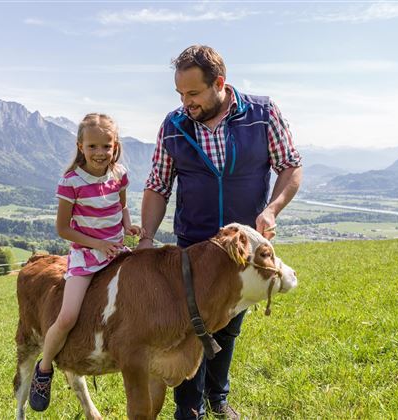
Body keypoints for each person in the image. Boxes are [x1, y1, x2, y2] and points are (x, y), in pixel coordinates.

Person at [138, 45, 302, 419]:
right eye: (180, 94)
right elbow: (157, 185)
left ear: (220, 84)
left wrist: (272, 209)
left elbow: (290, 166)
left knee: (227, 326)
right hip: (193, 246)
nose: (186, 103)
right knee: (188, 325)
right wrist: (146, 237)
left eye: (193, 93)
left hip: (243, 249)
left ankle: (218, 397)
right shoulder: (174, 125)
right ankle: (188, 407)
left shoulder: (263, 115)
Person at [29, 113, 142, 412]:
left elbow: (123, 206)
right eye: (92, 146)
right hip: (86, 257)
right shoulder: (71, 182)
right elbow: (63, 229)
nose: (100, 153)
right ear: (81, 146)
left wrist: (128, 226)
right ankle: (44, 368)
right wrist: (98, 244)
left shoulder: (120, 175)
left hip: (115, 252)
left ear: (115, 145)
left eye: (106, 146)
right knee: (66, 317)